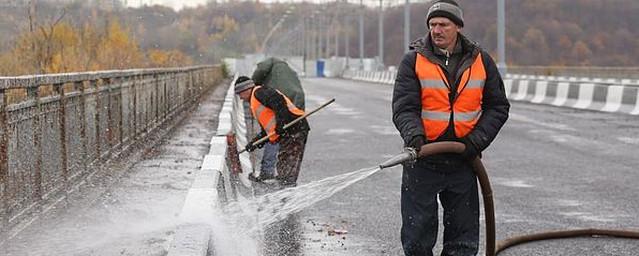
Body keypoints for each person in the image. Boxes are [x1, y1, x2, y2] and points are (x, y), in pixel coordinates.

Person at [391, 0, 510, 255]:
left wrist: (475, 142)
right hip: (423, 159)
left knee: (462, 239)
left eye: (443, 24)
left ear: (457, 26)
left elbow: (498, 106)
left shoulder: (481, 61)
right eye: (432, 24)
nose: (436, 30)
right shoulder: (413, 61)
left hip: (464, 160)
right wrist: (415, 137)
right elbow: (404, 107)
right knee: (417, 237)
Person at [235, 76, 309, 187]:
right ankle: (286, 191)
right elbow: (268, 130)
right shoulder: (256, 100)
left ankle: (287, 192)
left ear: (246, 89)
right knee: (284, 164)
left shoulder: (260, 92)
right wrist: (255, 143)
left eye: (240, 93)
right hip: (289, 132)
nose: (240, 98)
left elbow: (279, 101)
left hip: (294, 129)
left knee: (287, 165)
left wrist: (281, 123)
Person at [250, 57, 306, 182]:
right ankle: (287, 178)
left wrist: (253, 86)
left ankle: (268, 172)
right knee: (293, 144)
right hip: (296, 104)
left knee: (276, 137)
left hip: (282, 103)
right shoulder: (289, 71)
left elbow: (271, 131)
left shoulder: (267, 66)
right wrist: (256, 141)